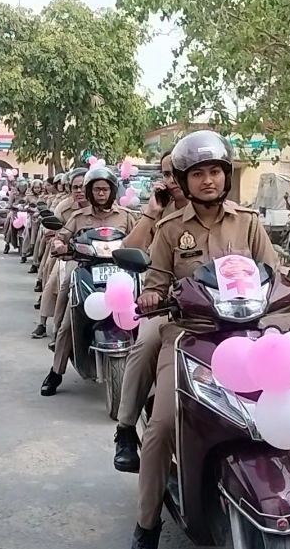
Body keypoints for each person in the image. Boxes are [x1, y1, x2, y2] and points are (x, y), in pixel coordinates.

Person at [130, 130, 278, 549]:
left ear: (226, 175)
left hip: (248, 336)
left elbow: (274, 273)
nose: (208, 180)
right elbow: (156, 281)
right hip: (188, 338)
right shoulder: (170, 229)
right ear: (184, 180)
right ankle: (146, 524)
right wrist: (152, 295)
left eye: (215, 171)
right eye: (197, 174)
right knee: (162, 427)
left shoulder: (248, 222)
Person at [112, 149, 190, 471]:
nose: (173, 180)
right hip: (167, 307)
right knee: (146, 345)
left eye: (179, 172)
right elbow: (130, 249)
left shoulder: (234, 216)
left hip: (224, 312)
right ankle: (126, 428)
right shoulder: (163, 216)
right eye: (167, 174)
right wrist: (151, 213)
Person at [40, 167, 136, 395]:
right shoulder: (78, 217)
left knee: (143, 313)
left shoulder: (126, 216)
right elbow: (61, 237)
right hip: (86, 268)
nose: (101, 193)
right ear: (89, 192)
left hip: (121, 274)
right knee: (68, 321)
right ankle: (56, 371)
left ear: (113, 191)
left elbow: (142, 239)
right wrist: (59, 245)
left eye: (105, 189)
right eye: (96, 189)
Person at [32, 169, 88, 338]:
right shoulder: (64, 207)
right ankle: (48, 325)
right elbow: (52, 231)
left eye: (83, 187)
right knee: (55, 279)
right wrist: (59, 243)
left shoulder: (106, 207)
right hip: (72, 255)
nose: (79, 191)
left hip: (101, 257)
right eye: (75, 187)